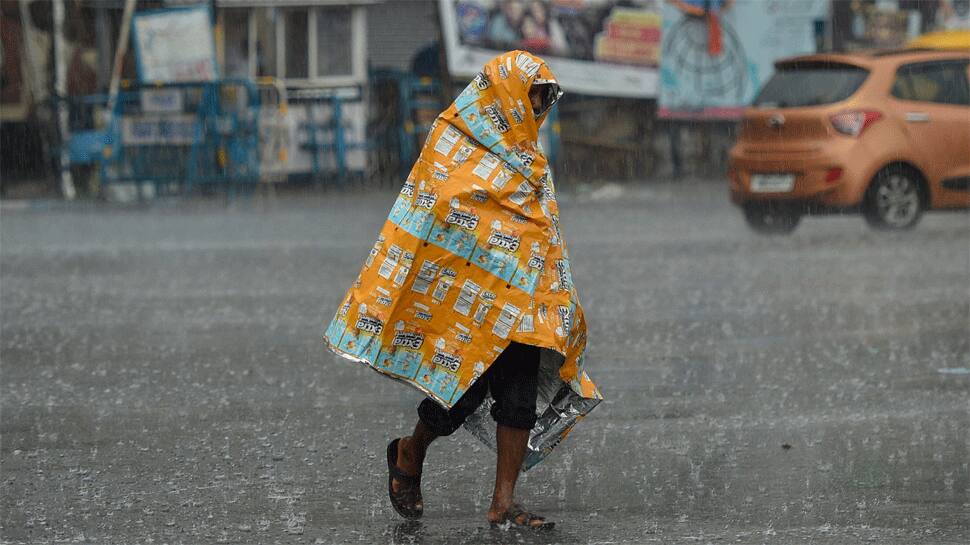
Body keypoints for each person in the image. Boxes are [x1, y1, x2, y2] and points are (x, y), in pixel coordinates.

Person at [323, 51, 601, 530]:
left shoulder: (529, 159)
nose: (535, 111)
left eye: (541, 102)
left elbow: (542, 233)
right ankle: (409, 453)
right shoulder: (454, 141)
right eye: (530, 99)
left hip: (522, 301)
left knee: (518, 397)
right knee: (460, 394)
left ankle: (503, 504)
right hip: (467, 301)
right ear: (505, 99)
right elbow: (435, 214)